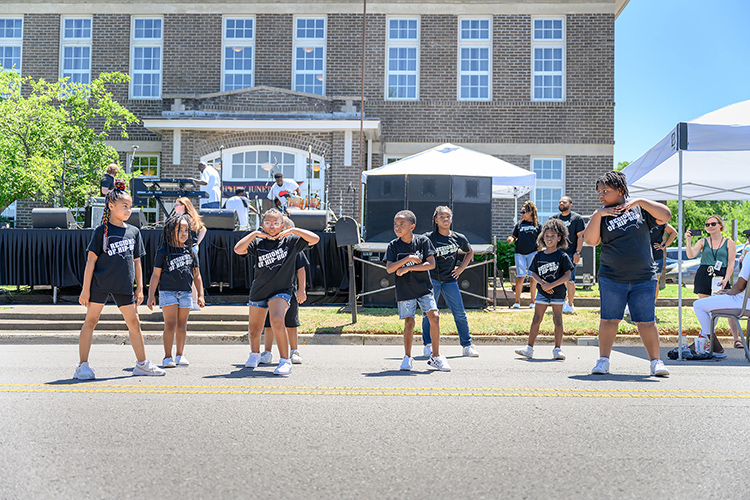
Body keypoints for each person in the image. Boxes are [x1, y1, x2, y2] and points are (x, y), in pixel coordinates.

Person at [582, 170, 671, 377]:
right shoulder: (601, 215)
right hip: (612, 277)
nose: (601, 195)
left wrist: (640, 201)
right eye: (599, 192)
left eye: (606, 190)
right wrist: (597, 214)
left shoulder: (640, 210)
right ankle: (603, 361)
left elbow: (665, 215)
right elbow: (591, 241)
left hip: (643, 277)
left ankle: (656, 362)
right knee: (609, 320)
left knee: (646, 321)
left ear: (620, 190)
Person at [74, 181, 165, 379]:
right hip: (100, 284)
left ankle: (142, 364)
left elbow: (138, 262)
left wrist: (140, 287)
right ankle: (82, 366)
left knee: (134, 322)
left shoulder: (134, 231)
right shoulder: (100, 232)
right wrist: (85, 289)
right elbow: (90, 262)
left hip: (124, 285)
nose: (128, 209)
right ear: (111, 206)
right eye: (124, 206)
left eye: (130, 206)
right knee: (91, 320)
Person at [234, 208, 319, 376]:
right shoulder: (258, 242)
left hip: (282, 290)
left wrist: (293, 230)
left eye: (276, 223)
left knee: (277, 319)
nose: (272, 226)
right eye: (267, 223)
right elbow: (238, 249)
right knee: (254, 329)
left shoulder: (291, 241)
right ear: (262, 224)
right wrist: (254, 235)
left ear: (282, 224)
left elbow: (315, 239)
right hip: (259, 290)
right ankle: (254, 354)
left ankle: (285, 360)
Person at [386, 210, 451, 372]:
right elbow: (389, 269)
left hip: (424, 288)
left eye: (402, 224)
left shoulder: (423, 241)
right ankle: (407, 357)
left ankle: (436, 357)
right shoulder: (393, 245)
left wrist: (408, 269)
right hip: (405, 289)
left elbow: (431, 264)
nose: (398, 227)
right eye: (395, 224)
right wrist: (407, 259)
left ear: (412, 226)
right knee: (409, 323)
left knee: (434, 317)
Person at [147, 214, 205, 368]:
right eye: (180, 230)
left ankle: (180, 355)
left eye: (186, 230)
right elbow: (155, 274)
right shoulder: (163, 251)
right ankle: (167, 357)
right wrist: (151, 294)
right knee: (170, 324)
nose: (184, 233)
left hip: (185, 293)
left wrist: (200, 295)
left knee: (182, 325)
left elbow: (197, 275)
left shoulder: (191, 251)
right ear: (170, 231)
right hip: (168, 292)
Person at [421, 206, 479, 358]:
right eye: (442, 217)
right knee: (429, 314)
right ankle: (427, 345)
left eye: (448, 216)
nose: (445, 219)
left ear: (451, 218)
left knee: (459, 313)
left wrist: (460, 269)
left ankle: (467, 346)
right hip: (433, 280)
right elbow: (418, 250)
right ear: (436, 220)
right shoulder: (428, 237)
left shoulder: (458, 238)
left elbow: (469, 252)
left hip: (450, 281)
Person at [515, 218, 573, 360]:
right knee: (536, 318)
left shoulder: (562, 256)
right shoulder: (539, 255)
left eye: (552, 236)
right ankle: (529, 348)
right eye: (546, 236)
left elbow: (568, 275)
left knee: (557, 319)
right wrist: (542, 284)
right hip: (542, 293)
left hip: (558, 293)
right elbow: (533, 272)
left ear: (559, 238)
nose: (549, 238)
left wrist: (551, 285)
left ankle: (557, 349)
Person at [685, 215, 742, 353]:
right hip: (704, 274)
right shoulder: (703, 241)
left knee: (724, 309)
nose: (710, 226)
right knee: (706, 309)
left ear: (720, 225)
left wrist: (726, 279)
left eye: (713, 224)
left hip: (721, 276)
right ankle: (709, 340)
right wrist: (688, 240)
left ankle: (736, 338)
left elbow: (730, 263)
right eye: (707, 224)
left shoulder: (729, 243)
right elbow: (691, 255)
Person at [259, 216, 308, 365]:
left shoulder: (294, 247)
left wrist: (302, 289)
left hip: (289, 290)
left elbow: (301, 269)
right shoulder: (267, 246)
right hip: (270, 291)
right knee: (269, 324)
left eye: (284, 227)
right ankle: (267, 352)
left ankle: (294, 351)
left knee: (291, 323)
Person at [693, 259, 750, 354]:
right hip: (744, 301)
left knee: (698, 305)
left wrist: (729, 292)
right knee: (714, 305)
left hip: (742, 302)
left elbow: (740, 285)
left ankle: (714, 343)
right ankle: (706, 340)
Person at [550, 196, 586, 313]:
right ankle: (563, 301)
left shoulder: (577, 218)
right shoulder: (554, 219)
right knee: (559, 279)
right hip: (557, 254)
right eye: (560, 202)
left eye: (564, 202)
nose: (561, 203)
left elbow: (580, 236)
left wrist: (578, 252)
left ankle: (570, 305)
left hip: (570, 254)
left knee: (570, 280)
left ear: (570, 204)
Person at [174, 197, 207, 311]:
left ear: (183, 206)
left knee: (190, 276)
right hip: (192, 248)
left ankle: (193, 301)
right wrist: (197, 243)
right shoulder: (192, 218)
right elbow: (203, 229)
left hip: (188, 249)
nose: (175, 207)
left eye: (177, 204)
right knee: (193, 275)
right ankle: (194, 300)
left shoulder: (183, 218)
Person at [507, 201, 541, 309]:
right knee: (520, 277)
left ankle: (532, 302)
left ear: (530, 212)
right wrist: (511, 239)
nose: (522, 214)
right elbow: (514, 236)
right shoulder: (519, 224)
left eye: (524, 212)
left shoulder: (537, 225)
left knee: (532, 278)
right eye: (521, 212)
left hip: (532, 253)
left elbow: (541, 238)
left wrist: (541, 247)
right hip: (520, 253)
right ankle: (517, 302)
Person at [651, 222, 677, 302]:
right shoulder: (640, 218)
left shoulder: (660, 221)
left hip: (656, 256)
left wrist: (664, 245)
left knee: (654, 282)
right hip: (641, 255)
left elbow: (674, 232)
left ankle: (652, 307)